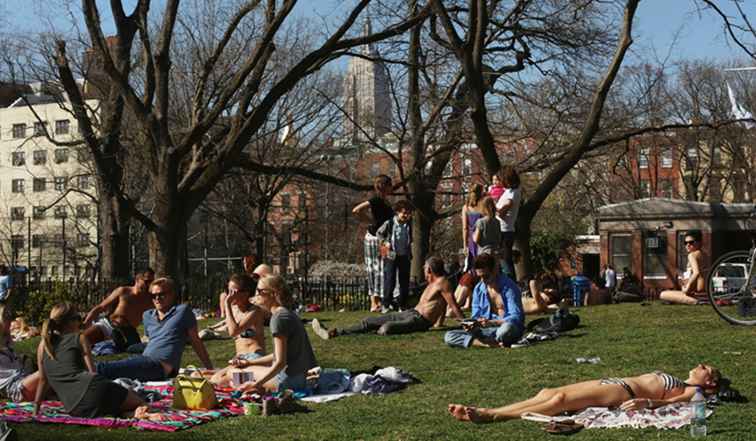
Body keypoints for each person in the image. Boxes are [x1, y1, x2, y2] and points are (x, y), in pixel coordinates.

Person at [448, 364, 722, 423]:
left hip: (621, 391)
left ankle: (491, 416)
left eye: (706, 368)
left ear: (709, 383)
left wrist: (648, 402)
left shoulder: (693, 390)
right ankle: (489, 409)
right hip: (613, 381)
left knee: (559, 402)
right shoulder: (686, 380)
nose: (700, 365)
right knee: (549, 391)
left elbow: (676, 401)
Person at [33, 303, 145, 418]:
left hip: (74, 408)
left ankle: (126, 413)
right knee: (140, 402)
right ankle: (132, 413)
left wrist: (35, 410)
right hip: (94, 389)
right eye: (78, 319)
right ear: (71, 321)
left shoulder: (44, 345)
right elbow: (93, 372)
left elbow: (43, 380)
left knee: (111, 406)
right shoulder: (80, 338)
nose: (80, 323)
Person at [311, 256, 465, 339]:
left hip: (420, 321)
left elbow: (452, 305)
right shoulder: (432, 283)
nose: (424, 271)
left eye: (425, 268)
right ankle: (334, 332)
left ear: (430, 269)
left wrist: (466, 324)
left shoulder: (443, 283)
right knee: (369, 321)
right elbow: (441, 305)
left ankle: (366, 332)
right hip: (411, 313)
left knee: (386, 329)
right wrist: (440, 323)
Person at [96, 277, 213, 381]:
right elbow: (152, 339)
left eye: (161, 294)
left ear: (172, 294)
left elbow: (195, 341)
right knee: (110, 370)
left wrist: (209, 368)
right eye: (153, 296)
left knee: (103, 369)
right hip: (145, 360)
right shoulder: (147, 315)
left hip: (162, 366)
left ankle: (82, 373)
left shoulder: (182, 312)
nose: (157, 298)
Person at [231, 275, 317, 393]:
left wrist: (256, 385)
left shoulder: (278, 318)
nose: (255, 294)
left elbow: (280, 363)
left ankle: (252, 386)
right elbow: (280, 355)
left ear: (273, 294)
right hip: (299, 379)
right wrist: (250, 362)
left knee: (234, 374)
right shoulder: (286, 313)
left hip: (285, 381)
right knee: (239, 373)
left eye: (259, 291)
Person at [444, 253, 524, 348]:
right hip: (486, 330)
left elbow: (516, 317)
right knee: (449, 336)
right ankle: (489, 343)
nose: (483, 280)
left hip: (504, 328)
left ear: (494, 270)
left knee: (506, 329)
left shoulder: (509, 287)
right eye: (479, 277)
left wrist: (492, 322)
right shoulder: (478, 289)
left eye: (486, 276)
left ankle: (485, 341)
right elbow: (476, 316)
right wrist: (472, 324)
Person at [209, 274, 267, 387]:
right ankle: (244, 381)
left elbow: (234, 332)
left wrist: (226, 305)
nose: (229, 295)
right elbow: (227, 324)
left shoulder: (255, 311)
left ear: (245, 293)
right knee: (212, 377)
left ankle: (252, 382)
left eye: (233, 292)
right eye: (228, 291)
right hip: (239, 359)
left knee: (219, 381)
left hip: (254, 358)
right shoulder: (234, 310)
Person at [82, 268, 155, 348]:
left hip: (128, 333)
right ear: (137, 279)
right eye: (146, 281)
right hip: (108, 326)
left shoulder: (151, 299)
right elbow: (101, 307)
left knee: (135, 351)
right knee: (81, 341)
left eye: (151, 282)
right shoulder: (123, 291)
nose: (149, 285)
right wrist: (86, 323)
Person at [353, 175, 395, 312]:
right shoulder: (376, 200)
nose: (392, 187)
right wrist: (369, 221)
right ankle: (374, 302)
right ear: (385, 186)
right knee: (374, 268)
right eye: (390, 185)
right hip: (374, 238)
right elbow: (357, 210)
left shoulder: (385, 201)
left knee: (384, 267)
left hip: (383, 239)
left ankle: (382, 301)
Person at [0, 304, 43, 402]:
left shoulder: (7, 343)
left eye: (10, 316)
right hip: (16, 389)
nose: (10, 321)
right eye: (6, 317)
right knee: (51, 368)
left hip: (24, 380)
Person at [376, 200, 413, 312]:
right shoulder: (390, 223)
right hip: (391, 255)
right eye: (404, 213)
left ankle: (402, 304)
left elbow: (410, 239)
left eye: (408, 213)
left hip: (404, 255)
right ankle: (386, 304)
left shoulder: (409, 224)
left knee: (404, 281)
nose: (406, 215)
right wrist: (384, 242)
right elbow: (379, 233)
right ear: (397, 212)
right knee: (390, 279)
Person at [660, 231, 705, 305]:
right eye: (685, 243)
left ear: (699, 242)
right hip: (705, 292)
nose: (687, 245)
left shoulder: (692, 255)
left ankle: (697, 301)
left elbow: (697, 273)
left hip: (697, 294)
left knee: (663, 294)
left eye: (691, 242)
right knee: (671, 293)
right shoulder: (704, 254)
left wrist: (687, 289)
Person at [495, 165, 521, 279]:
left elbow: (502, 212)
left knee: (505, 261)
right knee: (503, 260)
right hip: (502, 230)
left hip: (504, 231)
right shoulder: (509, 191)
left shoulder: (512, 194)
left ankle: (511, 283)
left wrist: (491, 206)